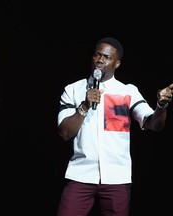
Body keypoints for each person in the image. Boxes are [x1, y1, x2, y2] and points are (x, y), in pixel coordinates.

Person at [56, 36, 173, 216]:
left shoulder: (127, 91)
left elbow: (153, 124)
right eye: (97, 55)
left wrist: (161, 106)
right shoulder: (73, 89)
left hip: (117, 176)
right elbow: (64, 133)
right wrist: (84, 106)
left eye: (107, 57)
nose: (100, 60)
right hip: (81, 174)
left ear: (117, 64)